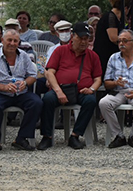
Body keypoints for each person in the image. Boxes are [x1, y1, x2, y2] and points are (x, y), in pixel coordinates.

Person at [37, 22, 102, 150]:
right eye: (81, 38)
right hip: (61, 88)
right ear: (73, 36)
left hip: (82, 91)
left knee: (91, 100)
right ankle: (47, 136)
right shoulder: (60, 51)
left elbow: (98, 78)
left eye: (86, 39)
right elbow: (50, 72)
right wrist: (58, 90)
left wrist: (92, 89)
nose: (84, 42)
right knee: (47, 99)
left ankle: (75, 135)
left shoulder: (92, 56)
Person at [0, 29, 42, 154]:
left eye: (15, 41)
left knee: (36, 102)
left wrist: (25, 83)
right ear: (2, 41)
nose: (12, 43)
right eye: (9, 40)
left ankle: (21, 138)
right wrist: (3, 87)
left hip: (20, 92)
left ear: (19, 42)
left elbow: (33, 75)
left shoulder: (24, 56)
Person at [99, 30, 133, 148]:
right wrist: (115, 83)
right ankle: (119, 136)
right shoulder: (113, 58)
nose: (121, 44)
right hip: (118, 91)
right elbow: (107, 83)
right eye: (119, 41)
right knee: (103, 103)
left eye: (125, 41)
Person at [93, 0, 129, 74]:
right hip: (105, 55)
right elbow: (113, 38)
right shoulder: (111, 17)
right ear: (125, 8)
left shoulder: (113, 17)